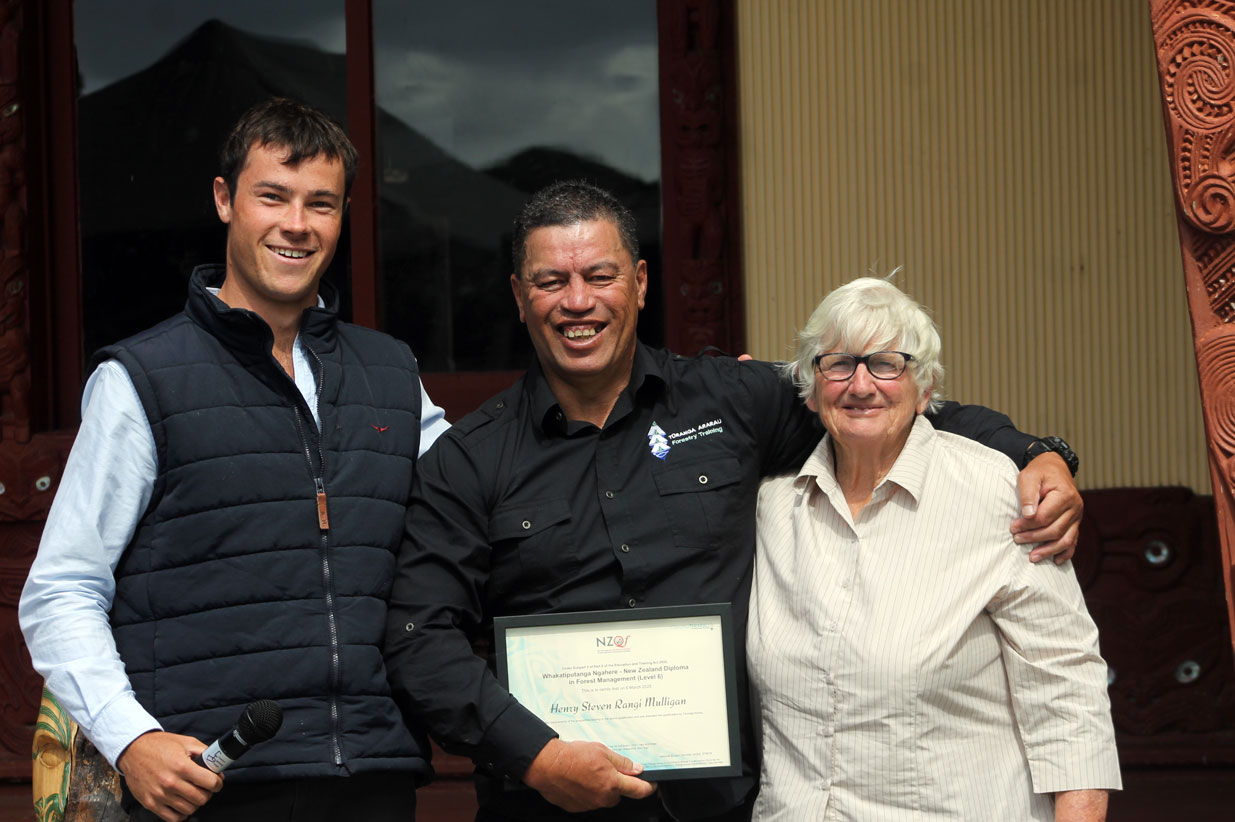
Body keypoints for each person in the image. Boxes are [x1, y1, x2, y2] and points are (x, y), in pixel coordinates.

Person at [383, 180, 1084, 822]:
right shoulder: (468, 460)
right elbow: (420, 637)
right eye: (550, 282)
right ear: (518, 295)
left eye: (599, 276)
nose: (577, 301)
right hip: (546, 808)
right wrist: (535, 756)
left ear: (639, 282)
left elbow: (876, 402)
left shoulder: (731, 402)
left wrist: (1035, 452)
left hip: (723, 809)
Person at [20, 98, 450, 822]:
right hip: (210, 784)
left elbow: (479, 512)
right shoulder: (141, 380)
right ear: (225, 200)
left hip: (372, 776)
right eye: (272, 196)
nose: (296, 224)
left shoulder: (392, 376)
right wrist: (131, 740)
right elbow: (62, 589)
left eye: (321, 203)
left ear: (343, 215)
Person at [747, 277, 1119, 820]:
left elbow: (1067, 685)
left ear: (925, 390)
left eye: (887, 364)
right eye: (838, 364)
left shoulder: (996, 493)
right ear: (808, 387)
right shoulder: (772, 505)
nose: (861, 384)